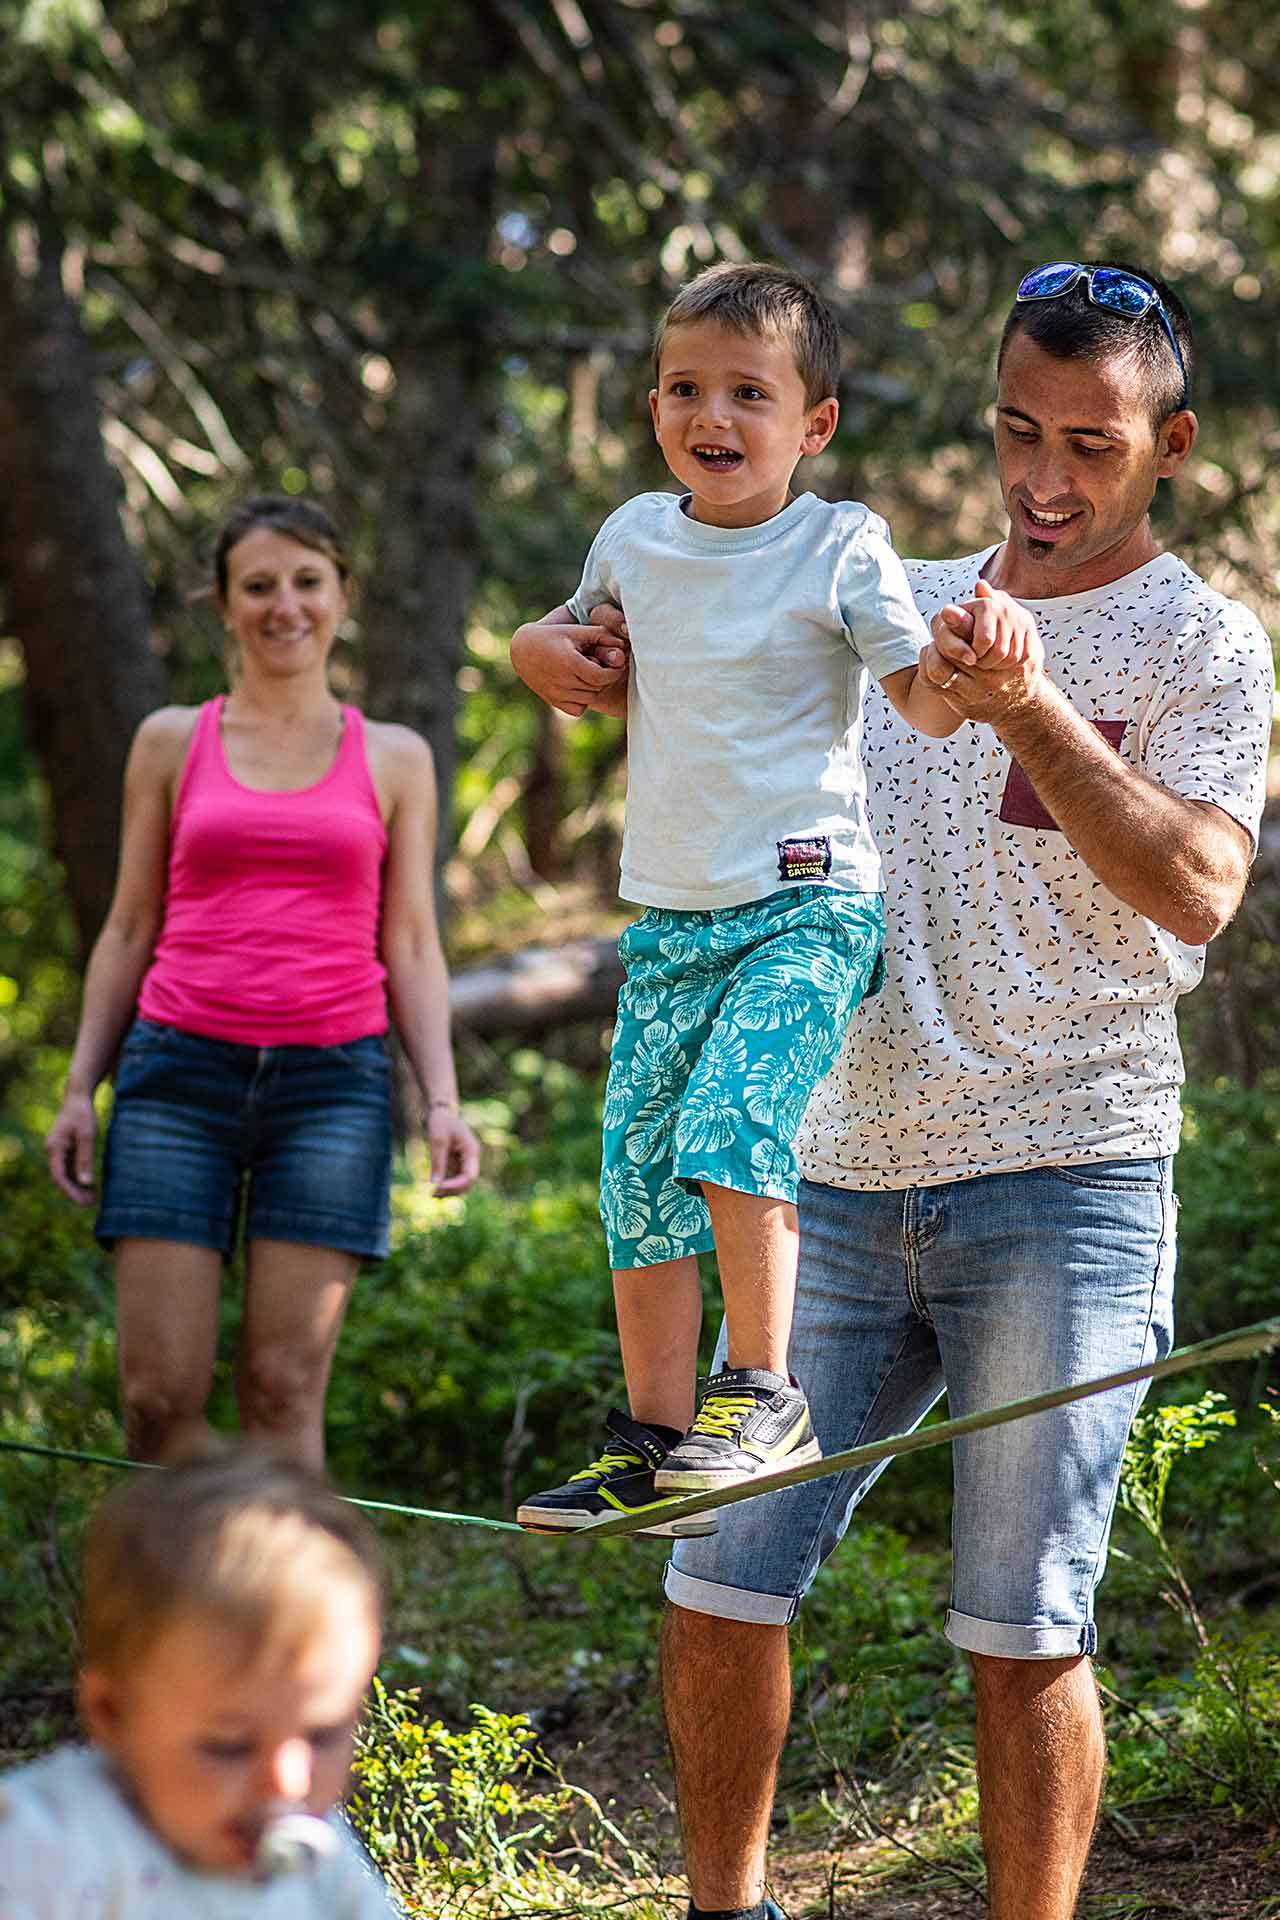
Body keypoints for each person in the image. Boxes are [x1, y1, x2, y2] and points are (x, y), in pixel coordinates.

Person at [517, 261, 1274, 1919]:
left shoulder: (1208, 641)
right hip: (838, 1177)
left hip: (1066, 1184)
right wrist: (568, 653)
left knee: (1023, 1621)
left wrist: (1033, 709)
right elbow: (679, 653)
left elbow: (1203, 887)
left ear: (1175, 443)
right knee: (721, 1576)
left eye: (1091, 440)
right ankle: (726, 1907)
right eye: (1017, 431)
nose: (1045, 477)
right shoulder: (876, 584)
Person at [511, 262, 1040, 1537]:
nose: (715, 415)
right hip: (672, 918)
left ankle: (761, 1394)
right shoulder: (634, 536)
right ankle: (650, 1442)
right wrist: (535, 651)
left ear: (813, 425)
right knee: (636, 1170)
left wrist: (974, 670)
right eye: (688, 388)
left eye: (750, 392)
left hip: (807, 904)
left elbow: (916, 701)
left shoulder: (834, 542)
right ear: (653, 412)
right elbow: (569, 637)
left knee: (731, 1120)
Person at [44, 495, 480, 1467]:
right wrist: (82, 1086)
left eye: (306, 582)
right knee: (158, 1401)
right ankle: (164, 1621)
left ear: (341, 596)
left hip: (332, 1088)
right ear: (224, 604)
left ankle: (291, 1623)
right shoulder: (169, 740)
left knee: (283, 1392)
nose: (284, 605)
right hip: (174, 1080)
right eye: (258, 586)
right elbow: (127, 924)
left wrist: (443, 1101)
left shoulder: (394, 756)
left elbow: (410, 941)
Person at [0, 1448, 392, 1915]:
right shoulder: (46, 1847)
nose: (287, 1783)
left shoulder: (321, 1860)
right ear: (113, 1714)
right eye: (229, 1745)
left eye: (323, 1736)